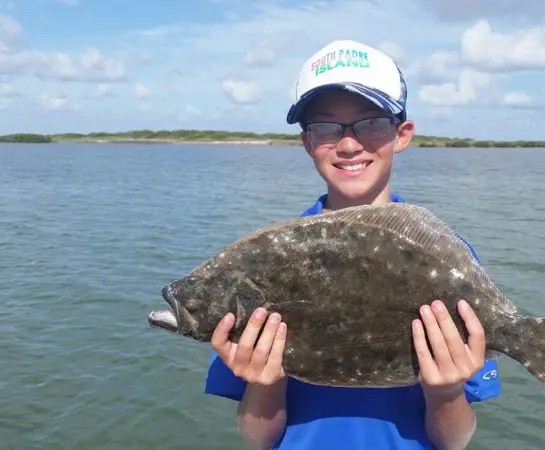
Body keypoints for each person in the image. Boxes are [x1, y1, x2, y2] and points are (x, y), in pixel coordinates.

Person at [204, 39, 501, 450]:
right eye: (326, 127)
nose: (348, 144)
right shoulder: (272, 259)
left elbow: (454, 440)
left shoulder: (447, 258)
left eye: (371, 123)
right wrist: (264, 383)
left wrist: (447, 391)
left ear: (402, 134)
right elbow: (258, 439)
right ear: (307, 142)